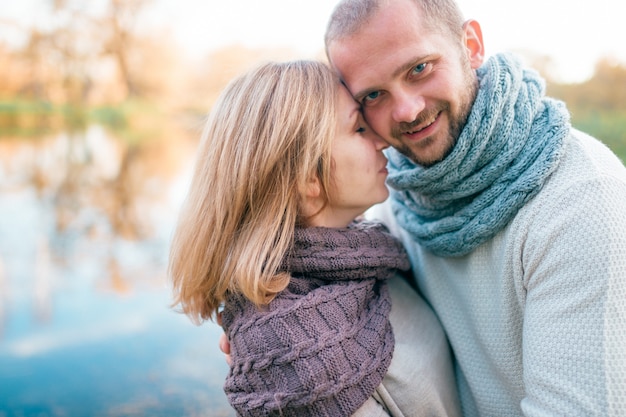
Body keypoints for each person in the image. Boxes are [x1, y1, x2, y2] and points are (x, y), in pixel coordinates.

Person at [320, 0, 626, 416]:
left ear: (471, 45)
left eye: (419, 68)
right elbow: (334, 274)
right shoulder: (395, 191)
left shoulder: (579, 198)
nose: (407, 110)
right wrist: (267, 323)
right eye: (374, 95)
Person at [169, 60, 461, 416]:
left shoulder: (365, 253)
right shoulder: (299, 359)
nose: (382, 140)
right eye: (358, 128)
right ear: (308, 179)